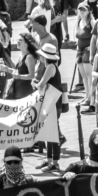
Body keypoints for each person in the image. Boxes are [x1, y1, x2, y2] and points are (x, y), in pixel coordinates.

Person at [32, 44, 63, 172]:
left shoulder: (50, 67)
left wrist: (34, 82)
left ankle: (54, 162)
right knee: (49, 130)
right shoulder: (51, 65)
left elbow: (41, 85)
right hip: (51, 101)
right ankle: (49, 160)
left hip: (53, 102)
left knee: (53, 132)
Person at [1, 33, 37, 100]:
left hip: (24, 93)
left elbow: (32, 75)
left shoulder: (29, 57)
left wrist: (19, 76)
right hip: (17, 91)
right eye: (17, 40)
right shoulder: (21, 55)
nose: (17, 41)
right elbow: (18, 72)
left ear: (27, 43)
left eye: (20, 40)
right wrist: (6, 69)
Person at [75, 3, 96, 112]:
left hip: (88, 49)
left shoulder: (91, 22)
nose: (82, 12)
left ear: (88, 11)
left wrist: (92, 48)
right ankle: (86, 97)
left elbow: (96, 35)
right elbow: (76, 35)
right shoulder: (79, 21)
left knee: (89, 75)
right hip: (79, 49)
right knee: (83, 76)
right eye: (80, 10)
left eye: (84, 10)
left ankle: (90, 98)